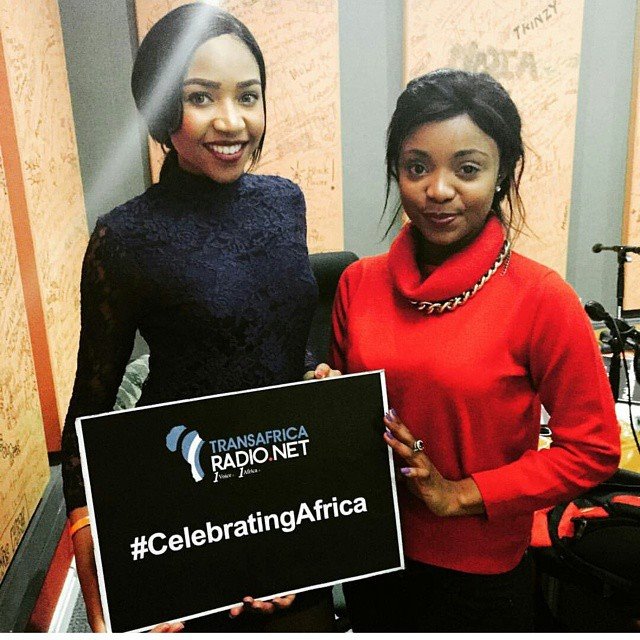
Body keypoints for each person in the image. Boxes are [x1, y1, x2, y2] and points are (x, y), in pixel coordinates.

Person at [61, 3, 336, 633]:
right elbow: (89, 409)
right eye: (201, 97)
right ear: (163, 109)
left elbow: (270, 330)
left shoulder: (285, 202)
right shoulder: (124, 237)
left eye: (248, 96)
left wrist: (311, 375)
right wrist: (94, 550)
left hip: (284, 486)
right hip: (182, 498)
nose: (231, 120)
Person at [329, 68, 621, 632]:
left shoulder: (542, 298)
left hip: (478, 575)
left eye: (467, 169)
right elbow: (351, 420)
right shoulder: (357, 284)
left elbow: (592, 449)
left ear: (502, 174)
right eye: (417, 167)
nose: (438, 190)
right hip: (371, 552)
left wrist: (461, 494)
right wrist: (325, 397)